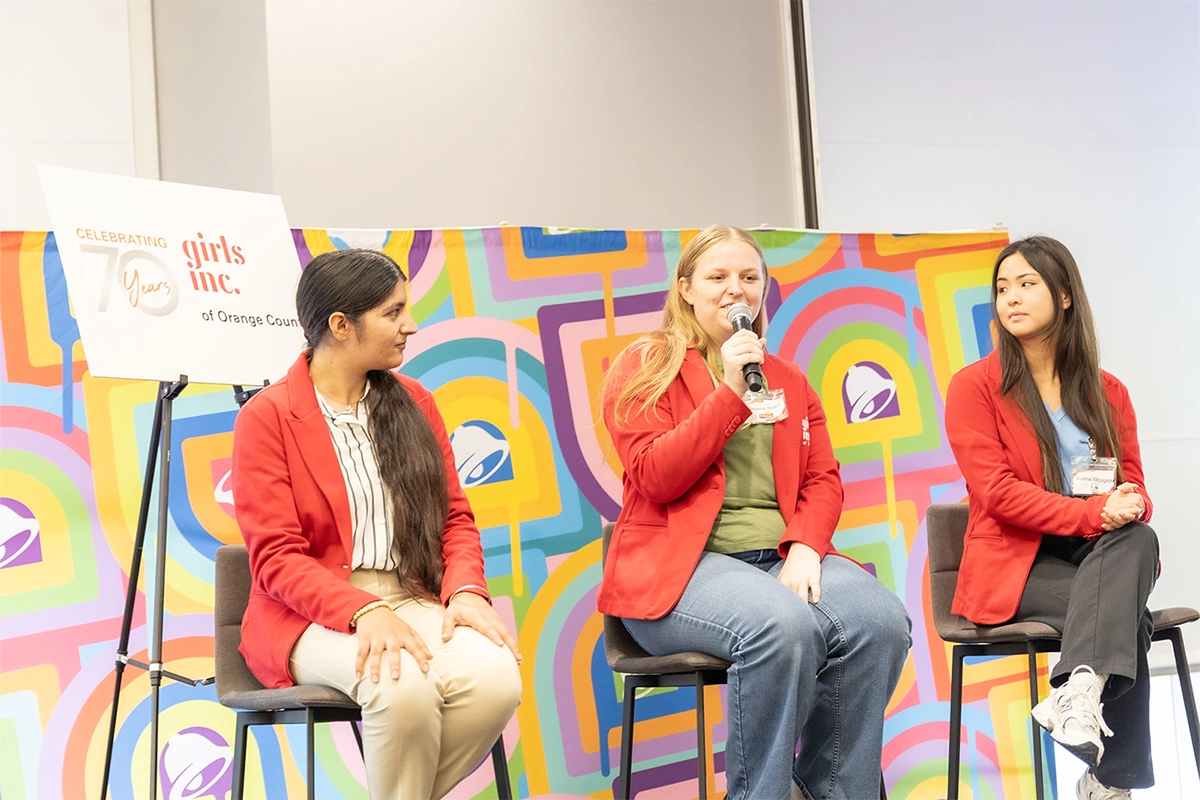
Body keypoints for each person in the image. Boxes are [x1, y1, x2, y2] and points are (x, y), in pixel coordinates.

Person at [599, 225, 912, 800]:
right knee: (782, 624)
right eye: (717, 277)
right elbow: (655, 475)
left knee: (881, 622)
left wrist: (807, 549)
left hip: (781, 558)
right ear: (685, 288)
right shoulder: (644, 367)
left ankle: (832, 788)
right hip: (684, 569)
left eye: (749, 278)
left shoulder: (788, 378)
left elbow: (823, 480)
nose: (735, 290)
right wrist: (729, 394)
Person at [231, 248, 521, 800]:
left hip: (411, 598)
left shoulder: (416, 402)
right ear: (341, 325)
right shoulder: (265, 417)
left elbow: (454, 520)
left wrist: (465, 592)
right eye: (394, 312)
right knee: (401, 686)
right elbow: (275, 559)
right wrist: (365, 610)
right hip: (309, 615)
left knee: (496, 680)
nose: (409, 325)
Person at [945, 236, 1157, 800]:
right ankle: (1109, 778)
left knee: (1140, 537)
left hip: (1098, 555)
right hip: (1016, 560)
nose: (1010, 298)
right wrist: (1094, 511)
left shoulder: (1109, 391)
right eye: (1001, 287)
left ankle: (1077, 692)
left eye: (1026, 284)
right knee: (1127, 619)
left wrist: (1131, 501)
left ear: (1064, 295)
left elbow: (1132, 482)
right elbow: (996, 493)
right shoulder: (975, 387)